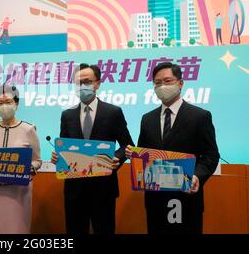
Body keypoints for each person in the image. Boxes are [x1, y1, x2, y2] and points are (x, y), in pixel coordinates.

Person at [126, 62, 220, 234]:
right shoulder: (147, 119)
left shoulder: (200, 116)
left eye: (167, 81)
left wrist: (198, 176)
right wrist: (135, 155)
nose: (162, 86)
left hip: (187, 198)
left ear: (180, 83)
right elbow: (145, 155)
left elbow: (211, 155)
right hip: (155, 199)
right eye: (157, 83)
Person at [51, 63, 134, 234]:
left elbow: (127, 145)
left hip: (103, 188)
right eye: (78, 82)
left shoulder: (113, 112)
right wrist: (57, 157)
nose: (82, 86)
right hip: (74, 189)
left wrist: (116, 158)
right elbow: (65, 146)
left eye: (87, 81)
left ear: (98, 83)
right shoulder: (67, 115)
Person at [0, 85, 42, 233]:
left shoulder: (29, 129)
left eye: (8, 102)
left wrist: (27, 168)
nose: (4, 106)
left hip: (19, 191)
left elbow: (37, 161)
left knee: (17, 228)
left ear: (16, 104)